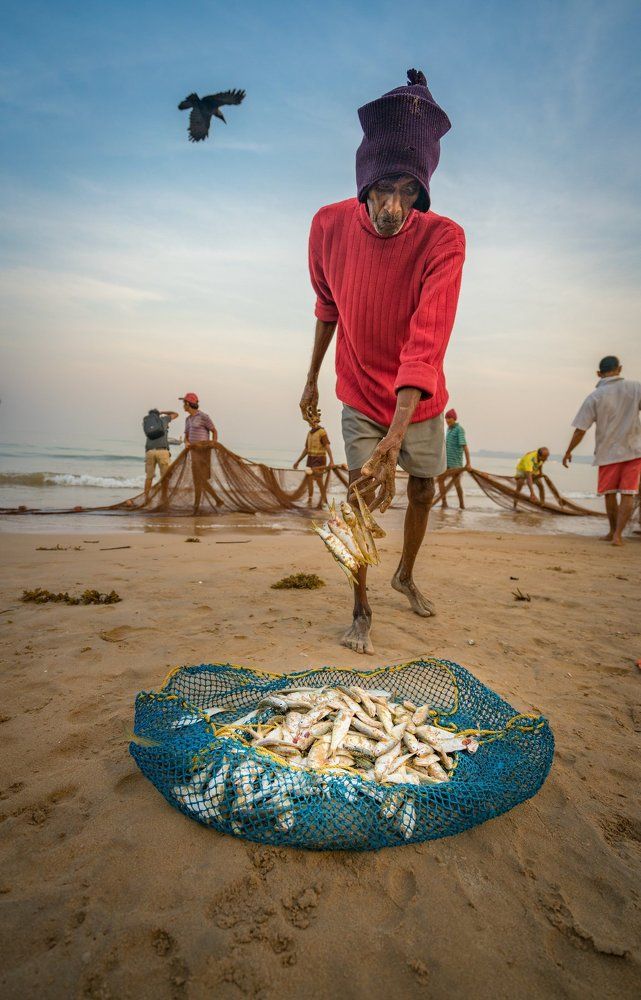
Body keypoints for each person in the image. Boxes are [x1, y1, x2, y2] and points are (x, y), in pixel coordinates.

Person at [300, 68, 465, 654]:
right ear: (362, 183)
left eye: (407, 192)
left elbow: (428, 338)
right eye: (382, 190)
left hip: (418, 400)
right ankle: (361, 608)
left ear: (421, 191)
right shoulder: (326, 225)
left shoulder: (445, 238)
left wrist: (399, 436)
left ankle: (406, 574)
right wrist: (312, 379)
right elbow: (327, 305)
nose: (393, 207)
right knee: (363, 498)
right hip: (358, 390)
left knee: (421, 491)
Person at [562, 355, 641, 546]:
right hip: (634, 450)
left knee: (610, 493)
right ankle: (618, 536)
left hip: (607, 453)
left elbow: (581, 429)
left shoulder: (595, 396)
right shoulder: (636, 387)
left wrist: (568, 451)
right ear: (619, 369)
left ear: (599, 373)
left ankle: (612, 531)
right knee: (628, 493)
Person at [180, 392, 222, 513]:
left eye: (184, 403)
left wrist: (213, 443)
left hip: (203, 452)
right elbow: (186, 437)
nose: (183, 405)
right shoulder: (187, 419)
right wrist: (186, 442)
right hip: (193, 453)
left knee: (201, 479)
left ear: (188, 404)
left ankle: (198, 505)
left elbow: (214, 431)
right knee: (196, 480)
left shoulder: (203, 416)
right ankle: (210, 502)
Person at [293, 414, 335, 508]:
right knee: (309, 480)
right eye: (310, 421)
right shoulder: (310, 433)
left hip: (320, 460)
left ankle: (324, 502)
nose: (311, 423)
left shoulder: (322, 432)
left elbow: (327, 446)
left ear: (317, 421)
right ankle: (310, 500)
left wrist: (331, 461)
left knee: (320, 481)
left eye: (313, 420)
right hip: (310, 460)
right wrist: (298, 461)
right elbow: (306, 449)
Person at [437, 408, 470, 508]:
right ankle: (444, 502)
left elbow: (464, 446)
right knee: (441, 480)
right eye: (446, 418)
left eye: (449, 418)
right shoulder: (449, 430)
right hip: (447, 462)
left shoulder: (459, 430)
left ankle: (461, 505)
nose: (447, 420)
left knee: (456, 484)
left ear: (454, 419)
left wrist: (468, 463)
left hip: (456, 463)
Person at [143, 408, 178, 499]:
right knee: (165, 477)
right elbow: (175, 414)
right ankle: (164, 498)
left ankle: (146, 498)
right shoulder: (164, 419)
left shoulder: (146, 422)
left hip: (150, 452)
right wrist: (163, 412)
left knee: (149, 477)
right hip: (162, 451)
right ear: (158, 415)